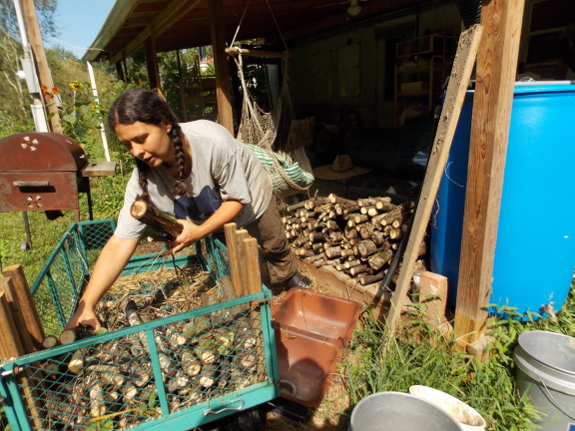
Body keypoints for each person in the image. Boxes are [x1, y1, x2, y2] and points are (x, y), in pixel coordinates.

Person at [66, 88, 310, 330]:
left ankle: (288, 276)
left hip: (249, 194)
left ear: (165, 123)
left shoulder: (212, 141)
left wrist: (198, 231)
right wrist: (85, 307)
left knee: (272, 240)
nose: (136, 151)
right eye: (127, 145)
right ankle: (254, 295)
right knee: (231, 254)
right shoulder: (142, 182)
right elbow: (120, 242)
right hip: (208, 212)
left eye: (141, 139)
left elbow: (237, 200)